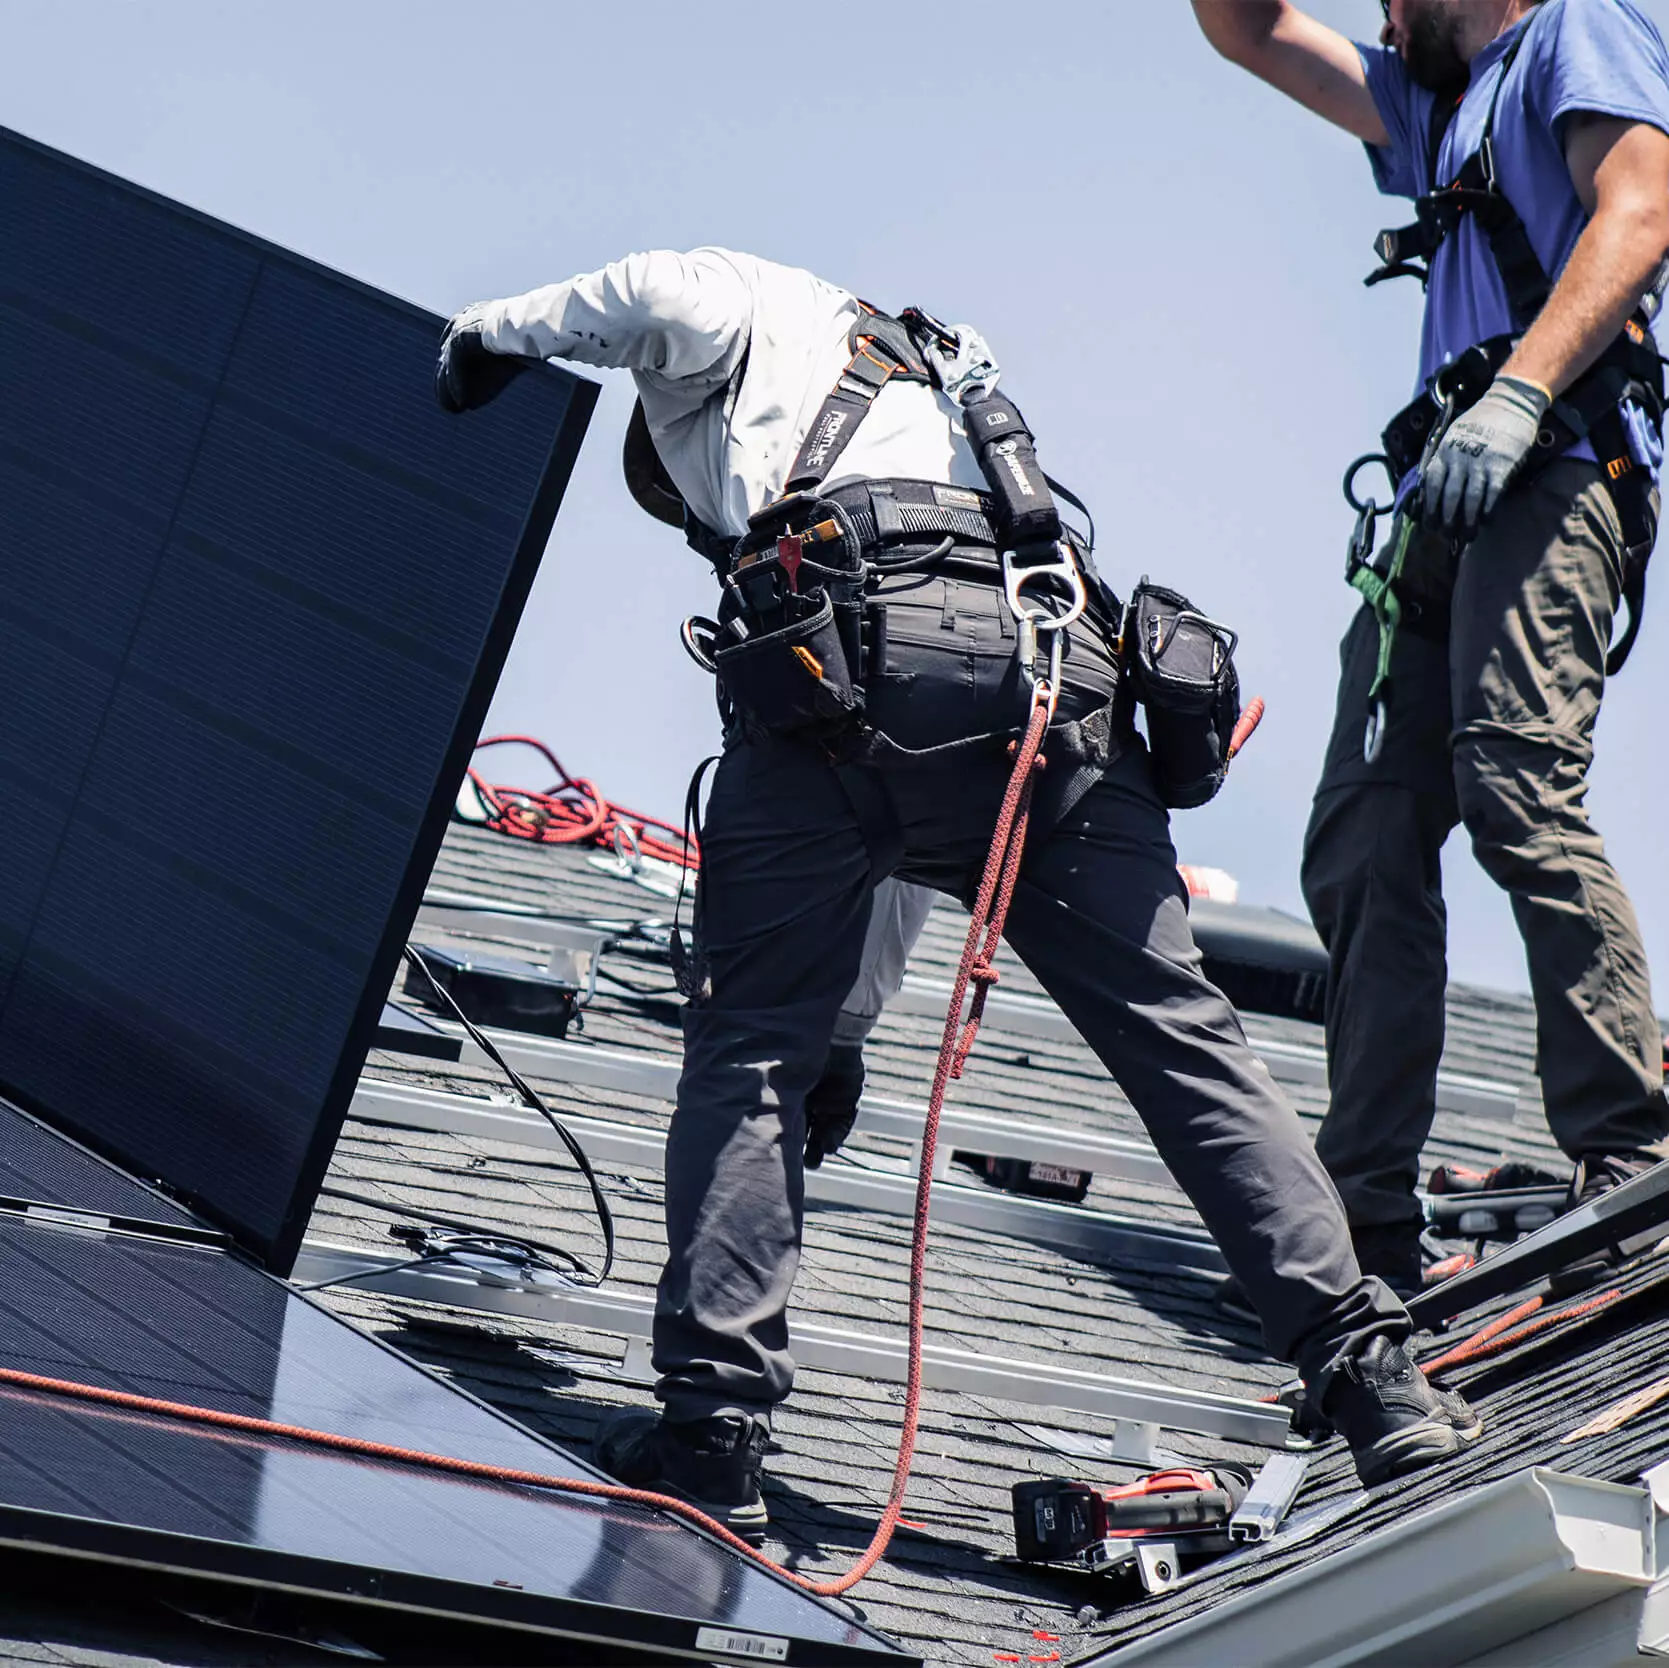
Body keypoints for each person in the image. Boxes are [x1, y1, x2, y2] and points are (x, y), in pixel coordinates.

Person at [435, 246, 1479, 1536]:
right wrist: (853, 1034)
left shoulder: (745, 308)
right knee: (1182, 1041)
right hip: (1053, 695)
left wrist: (494, 334)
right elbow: (913, 839)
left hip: (853, 672)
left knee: (748, 1053)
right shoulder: (939, 383)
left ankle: (712, 1435)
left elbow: (657, 294)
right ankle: (1375, 1382)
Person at [1192, 0, 1669, 1295]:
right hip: (1441, 498)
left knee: (1515, 779)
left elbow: (1642, 204)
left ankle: (1624, 1159)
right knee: (1364, 831)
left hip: (1558, 460)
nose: (1384, 11)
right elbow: (1251, 30)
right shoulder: (1436, 99)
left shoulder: (1576, 31)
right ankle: (1368, 1227)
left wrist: (1519, 397)